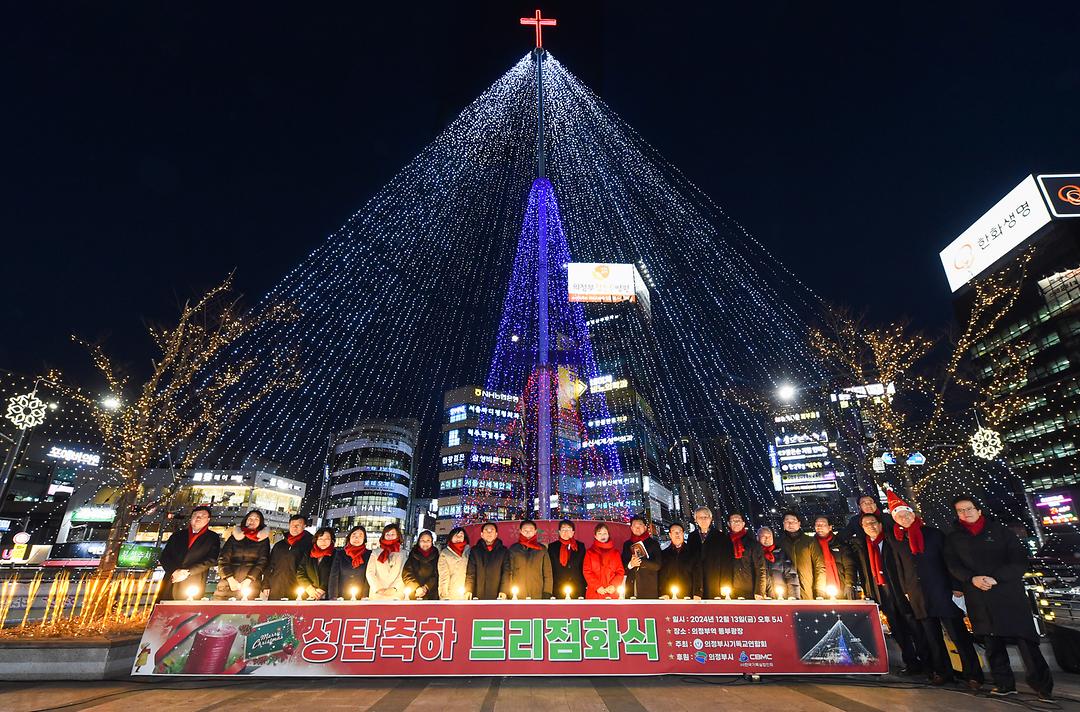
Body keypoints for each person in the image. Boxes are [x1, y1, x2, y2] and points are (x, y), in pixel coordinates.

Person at [945, 496, 1052, 701]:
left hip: (1007, 593)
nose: (965, 513)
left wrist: (997, 578)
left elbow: (1018, 561)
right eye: (960, 510)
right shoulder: (953, 538)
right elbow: (953, 565)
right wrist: (971, 578)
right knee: (991, 641)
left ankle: (1042, 685)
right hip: (978, 594)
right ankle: (1004, 683)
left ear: (978, 510)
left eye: (969, 509)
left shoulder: (1001, 532)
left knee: (1026, 641)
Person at [887, 491, 983, 689]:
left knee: (958, 635)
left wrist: (956, 586)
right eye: (899, 516)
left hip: (942, 591)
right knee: (932, 638)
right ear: (895, 519)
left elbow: (950, 561)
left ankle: (973, 674)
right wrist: (906, 591)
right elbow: (899, 569)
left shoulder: (933, 534)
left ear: (913, 514)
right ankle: (942, 672)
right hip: (918, 594)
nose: (904, 518)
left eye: (906, 514)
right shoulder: (896, 540)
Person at [853, 512, 927, 677]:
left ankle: (928, 662)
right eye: (866, 524)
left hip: (899, 588)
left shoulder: (891, 541)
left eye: (873, 523)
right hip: (882, 591)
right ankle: (911, 663)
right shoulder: (865, 546)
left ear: (880, 524)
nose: (870, 526)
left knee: (914, 625)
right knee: (897, 628)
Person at [157, 505, 221, 600]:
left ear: (208, 520)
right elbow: (165, 556)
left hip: (194, 579)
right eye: (195, 515)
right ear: (191, 518)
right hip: (172, 578)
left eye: (202, 516)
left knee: (188, 611)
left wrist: (188, 572)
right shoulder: (177, 535)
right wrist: (174, 571)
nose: (198, 518)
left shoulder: (212, 537)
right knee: (164, 608)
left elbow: (211, 559)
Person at [214, 509, 270, 599]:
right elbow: (223, 558)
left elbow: (263, 561)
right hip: (228, 583)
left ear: (260, 523)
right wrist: (229, 578)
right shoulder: (234, 536)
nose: (252, 521)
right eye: (250, 518)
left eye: (256, 519)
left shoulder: (263, 539)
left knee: (246, 611)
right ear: (245, 520)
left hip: (251, 584)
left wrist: (249, 579)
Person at [685, 506, 734, 598]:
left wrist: (725, 584)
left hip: (716, 580)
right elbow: (690, 561)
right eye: (700, 517)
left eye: (706, 517)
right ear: (696, 520)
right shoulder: (692, 537)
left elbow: (727, 563)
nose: (703, 520)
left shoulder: (722, 537)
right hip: (697, 582)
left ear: (711, 519)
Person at [778, 511, 825, 600]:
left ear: (799, 524)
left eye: (794, 521)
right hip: (785, 591)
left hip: (807, 588)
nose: (790, 524)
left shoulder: (810, 541)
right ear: (783, 524)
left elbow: (820, 566)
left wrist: (820, 591)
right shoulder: (779, 543)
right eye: (787, 521)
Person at [264, 514, 312, 600]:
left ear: (304, 526)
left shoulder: (310, 544)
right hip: (277, 588)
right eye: (292, 525)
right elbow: (270, 565)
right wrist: (265, 584)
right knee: (273, 613)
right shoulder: (279, 545)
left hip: (298, 589)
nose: (294, 527)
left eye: (298, 525)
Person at [502, 519, 553, 599]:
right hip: (518, 592)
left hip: (537, 592)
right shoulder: (513, 549)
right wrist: (507, 592)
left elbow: (547, 573)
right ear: (520, 531)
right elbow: (508, 572)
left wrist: (547, 592)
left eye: (531, 530)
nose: (528, 532)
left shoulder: (541, 549)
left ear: (535, 531)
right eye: (525, 530)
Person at [813, 515, 856, 599]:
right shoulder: (810, 545)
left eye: (823, 524)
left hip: (841, 587)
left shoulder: (840, 544)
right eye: (817, 525)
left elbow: (849, 566)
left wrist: (849, 584)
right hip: (819, 589)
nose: (819, 527)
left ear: (830, 527)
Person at [621, 515, 661, 599]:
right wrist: (630, 564)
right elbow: (623, 564)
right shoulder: (627, 544)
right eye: (634, 526)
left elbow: (658, 565)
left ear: (645, 527)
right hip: (631, 584)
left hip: (649, 585)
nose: (637, 528)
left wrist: (642, 562)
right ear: (631, 528)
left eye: (640, 525)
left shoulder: (654, 544)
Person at [728, 512, 766, 599]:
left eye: (738, 520)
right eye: (733, 521)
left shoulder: (752, 544)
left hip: (750, 590)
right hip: (730, 590)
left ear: (743, 523)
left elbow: (761, 569)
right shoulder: (725, 542)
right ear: (729, 524)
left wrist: (759, 591)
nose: (736, 523)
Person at [466, 521, 508, 600]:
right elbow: (470, 573)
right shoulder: (475, 551)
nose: (489, 532)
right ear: (481, 534)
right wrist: (468, 590)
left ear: (496, 534)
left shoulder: (503, 551)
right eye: (486, 530)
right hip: (478, 593)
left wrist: (504, 590)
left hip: (497, 594)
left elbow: (506, 572)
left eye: (492, 530)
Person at [584, 523, 625, 599]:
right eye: (599, 533)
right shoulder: (590, 552)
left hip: (611, 592)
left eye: (605, 533)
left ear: (608, 535)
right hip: (594, 593)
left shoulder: (615, 553)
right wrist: (597, 587)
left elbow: (620, 572)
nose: (602, 536)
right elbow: (587, 571)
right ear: (595, 536)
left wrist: (614, 585)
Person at [659, 523, 699, 600]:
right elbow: (662, 575)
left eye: (680, 532)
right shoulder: (664, 554)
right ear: (670, 535)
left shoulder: (693, 552)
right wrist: (663, 592)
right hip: (669, 595)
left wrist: (697, 593)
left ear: (683, 534)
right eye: (674, 532)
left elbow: (697, 574)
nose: (677, 534)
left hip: (688, 594)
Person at [328, 525, 370, 600]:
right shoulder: (340, 553)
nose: (356, 538)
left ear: (364, 539)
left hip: (361, 597)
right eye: (354, 535)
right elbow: (334, 576)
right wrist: (333, 596)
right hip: (341, 596)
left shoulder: (369, 554)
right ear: (349, 537)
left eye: (360, 535)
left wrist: (365, 595)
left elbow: (368, 577)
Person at [367, 522, 407, 600]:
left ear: (398, 536)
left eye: (392, 534)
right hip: (377, 594)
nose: (390, 537)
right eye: (387, 534)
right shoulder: (375, 552)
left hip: (396, 594)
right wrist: (378, 588)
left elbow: (403, 573)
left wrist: (394, 588)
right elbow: (370, 572)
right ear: (383, 536)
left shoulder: (403, 553)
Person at [548, 519, 587, 600]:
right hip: (558, 585)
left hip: (577, 585)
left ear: (573, 532)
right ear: (559, 532)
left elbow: (584, 566)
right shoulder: (552, 547)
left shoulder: (580, 546)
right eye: (563, 529)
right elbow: (550, 567)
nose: (566, 532)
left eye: (569, 529)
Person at [296, 527, 335, 600]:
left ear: (332, 541)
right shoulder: (308, 553)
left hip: (327, 596)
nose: (323, 542)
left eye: (327, 539)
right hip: (308, 594)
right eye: (320, 539)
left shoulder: (336, 555)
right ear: (316, 540)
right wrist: (309, 588)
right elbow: (300, 572)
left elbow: (334, 575)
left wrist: (322, 589)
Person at [757, 526, 795, 599]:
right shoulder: (755, 554)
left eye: (769, 536)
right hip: (761, 597)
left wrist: (793, 595)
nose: (767, 539)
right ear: (758, 538)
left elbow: (791, 575)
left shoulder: (781, 553)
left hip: (781, 596)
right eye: (763, 536)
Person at [403, 530, 440, 600]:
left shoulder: (436, 556)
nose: (425, 543)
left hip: (432, 593)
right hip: (415, 592)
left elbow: (437, 574)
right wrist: (417, 588)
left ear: (432, 542)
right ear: (418, 542)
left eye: (428, 540)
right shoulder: (413, 554)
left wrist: (426, 587)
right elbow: (407, 574)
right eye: (422, 540)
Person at [438, 526, 471, 600]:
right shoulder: (445, 553)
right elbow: (444, 575)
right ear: (451, 537)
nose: (458, 538)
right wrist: (443, 594)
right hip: (451, 592)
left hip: (467, 592)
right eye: (456, 535)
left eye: (461, 535)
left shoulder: (469, 551)